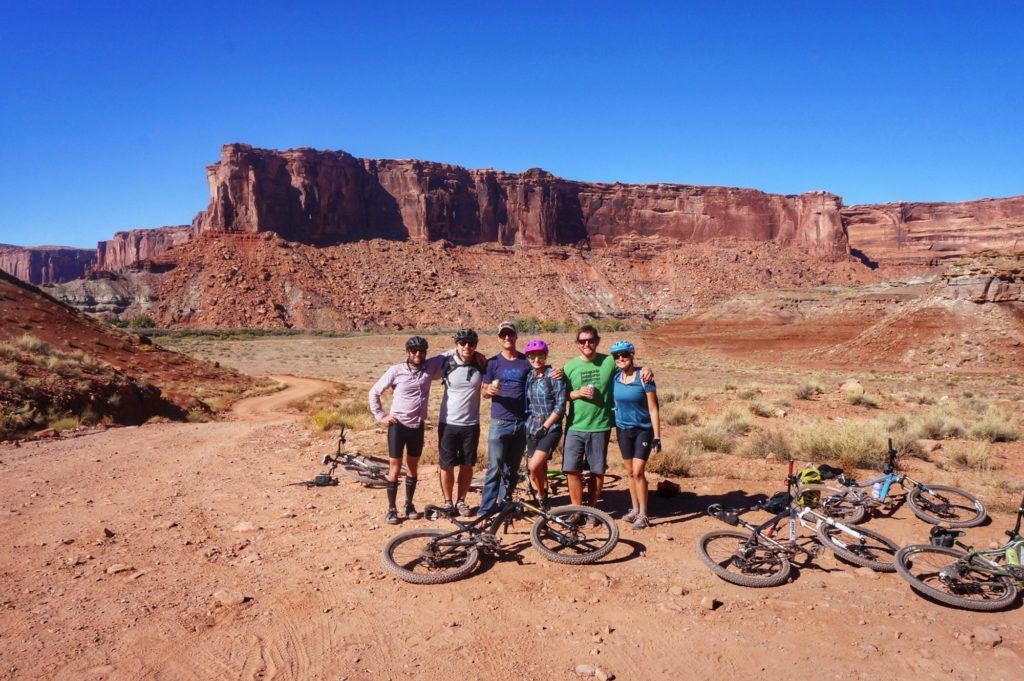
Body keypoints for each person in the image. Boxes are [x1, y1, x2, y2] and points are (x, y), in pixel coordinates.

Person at [563, 325, 653, 518]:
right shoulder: (569, 367)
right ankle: (577, 510)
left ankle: (593, 512)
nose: (587, 344)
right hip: (575, 425)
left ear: (597, 341)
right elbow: (561, 395)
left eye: (591, 340)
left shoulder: (609, 362)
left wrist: (646, 368)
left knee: (597, 471)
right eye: (582, 341)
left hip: (600, 426)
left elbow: (628, 366)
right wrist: (576, 393)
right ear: (577, 344)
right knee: (572, 470)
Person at [368, 335, 449, 525]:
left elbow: (450, 353)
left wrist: (476, 353)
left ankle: (409, 504)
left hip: (417, 426)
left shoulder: (429, 367)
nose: (418, 354)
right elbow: (374, 392)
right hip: (398, 426)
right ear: (408, 352)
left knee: (413, 467)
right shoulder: (396, 370)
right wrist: (381, 415)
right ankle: (391, 509)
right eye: (414, 351)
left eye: (422, 351)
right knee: (395, 468)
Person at [609, 340, 662, 529]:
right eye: (617, 356)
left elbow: (653, 408)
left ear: (632, 355)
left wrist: (657, 436)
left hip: (643, 430)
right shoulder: (615, 378)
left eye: (624, 354)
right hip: (623, 429)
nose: (621, 358)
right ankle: (634, 509)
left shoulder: (644, 378)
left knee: (639, 472)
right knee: (630, 473)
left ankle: (644, 514)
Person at [436, 328, 486, 517]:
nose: (467, 346)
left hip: (471, 424)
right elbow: (424, 366)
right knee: (446, 465)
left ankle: (461, 501)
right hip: (448, 423)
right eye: (462, 343)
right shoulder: (446, 362)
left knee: (467, 465)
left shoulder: (481, 364)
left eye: (471, 343)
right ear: (456, 344)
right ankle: (448, 502)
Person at [522, 339, 567, 510]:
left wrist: (546, 427)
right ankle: (545, 497)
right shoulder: (530, 376)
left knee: (534, 466)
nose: (536, 359)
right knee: (540, 468)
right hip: (532, 426)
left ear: (546, 355)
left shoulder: (554, 376)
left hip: (550, 428)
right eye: (532, 356)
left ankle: (541, 497)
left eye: (540, 355)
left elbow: (560, 406)